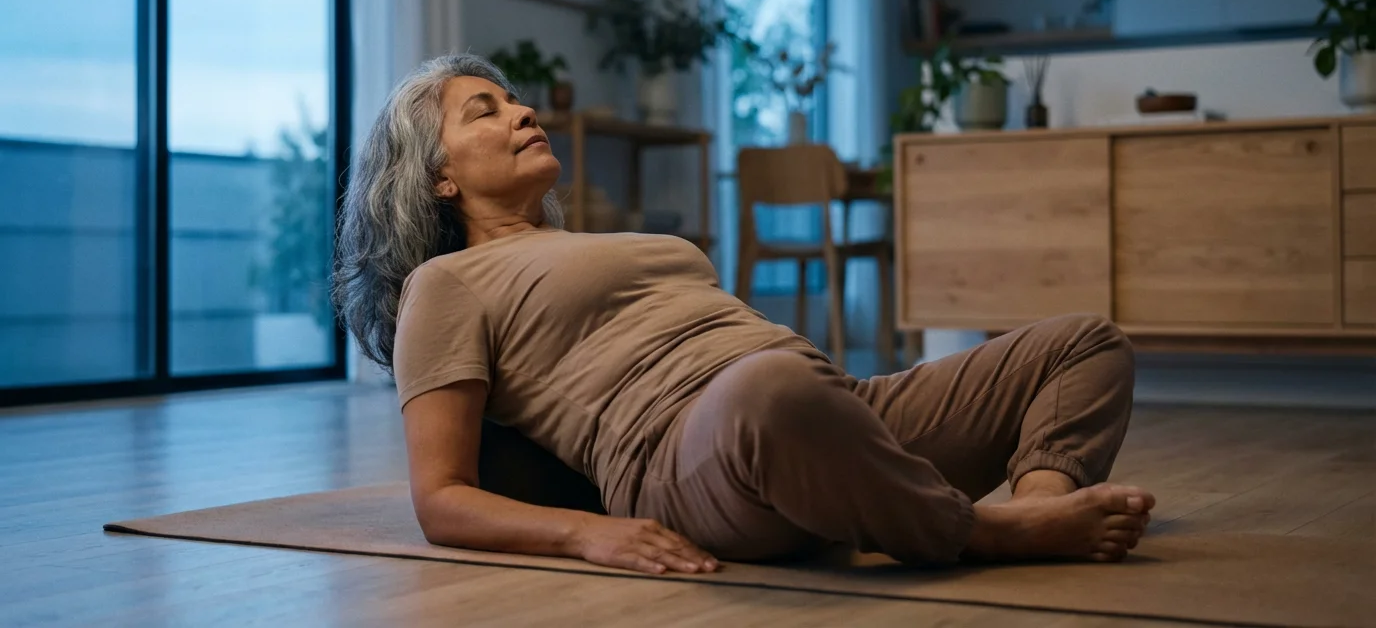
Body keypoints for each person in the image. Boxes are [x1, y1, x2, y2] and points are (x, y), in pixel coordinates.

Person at [333, 53, 1155, 576]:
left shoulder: (594, 242)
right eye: (486, 110)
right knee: (771, 392)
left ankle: (1034, 512)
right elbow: (441, 498)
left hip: (832, 409)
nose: (523, 112)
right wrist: (587, 536)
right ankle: (983, 535)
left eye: (517, 100)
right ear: (438, 178)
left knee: (1085, 340)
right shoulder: (446, 283)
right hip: (689, 455)